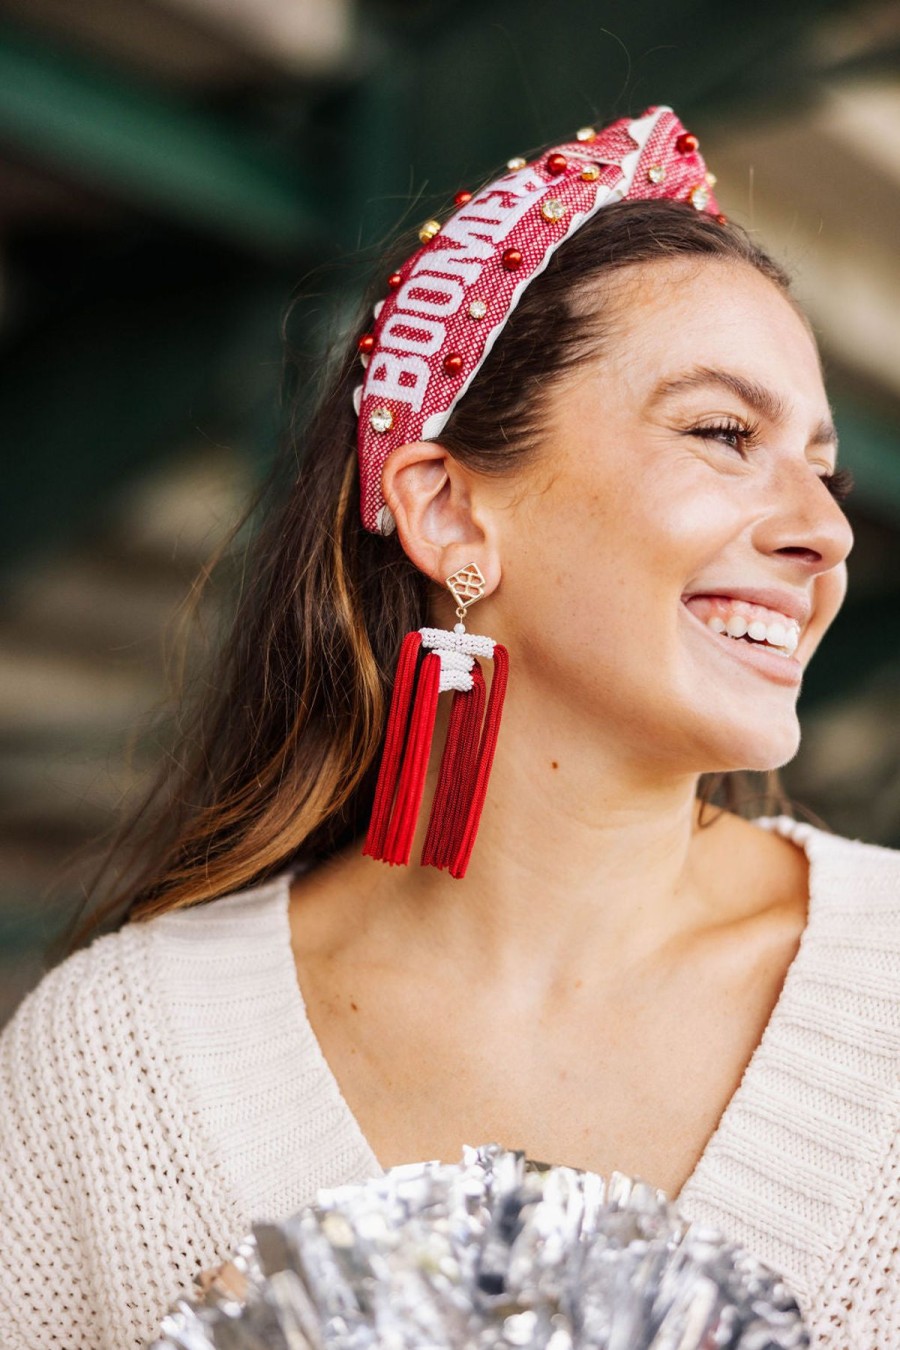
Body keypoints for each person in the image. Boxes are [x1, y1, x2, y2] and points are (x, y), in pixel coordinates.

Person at [0, 106, 896, 1350]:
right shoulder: (115, 1059)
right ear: (450, 513)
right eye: (723, 434)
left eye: (827, 469)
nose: (828, 531)